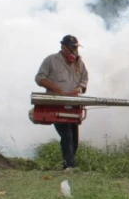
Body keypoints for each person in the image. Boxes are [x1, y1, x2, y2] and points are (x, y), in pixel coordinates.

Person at [35, 35, 89, 171]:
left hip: (73, 104)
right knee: (66, 134)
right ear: (63, 47)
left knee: (74, 137)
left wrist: (80, 88)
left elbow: (84, 79)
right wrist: (56, 89)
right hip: (56, 103)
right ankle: (69, 165)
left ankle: (69, 162)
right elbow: (40, 78)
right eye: (71, 48)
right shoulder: (51, 60)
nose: (74, 50)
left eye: (75, 47)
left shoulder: (79, 63)